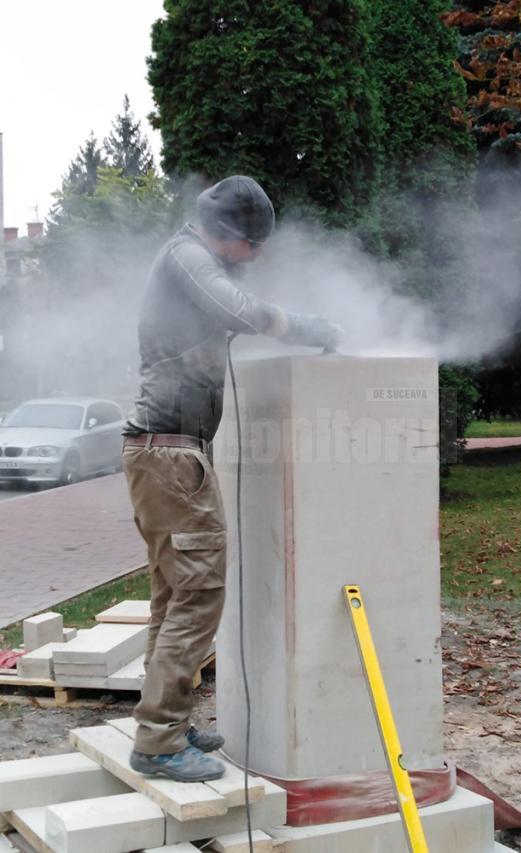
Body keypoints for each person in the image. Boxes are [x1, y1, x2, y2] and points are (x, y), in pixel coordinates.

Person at [122, 175, 342, 782]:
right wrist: (303, 326)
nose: (260, 255)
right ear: (228, 235)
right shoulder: (187, 255)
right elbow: (237, 310)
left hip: (165, 456)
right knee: (199, 592)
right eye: (255, 244)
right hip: (170, 456)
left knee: (174, 594)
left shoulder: (192, 261)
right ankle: (160, 743)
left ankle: (164, 719)